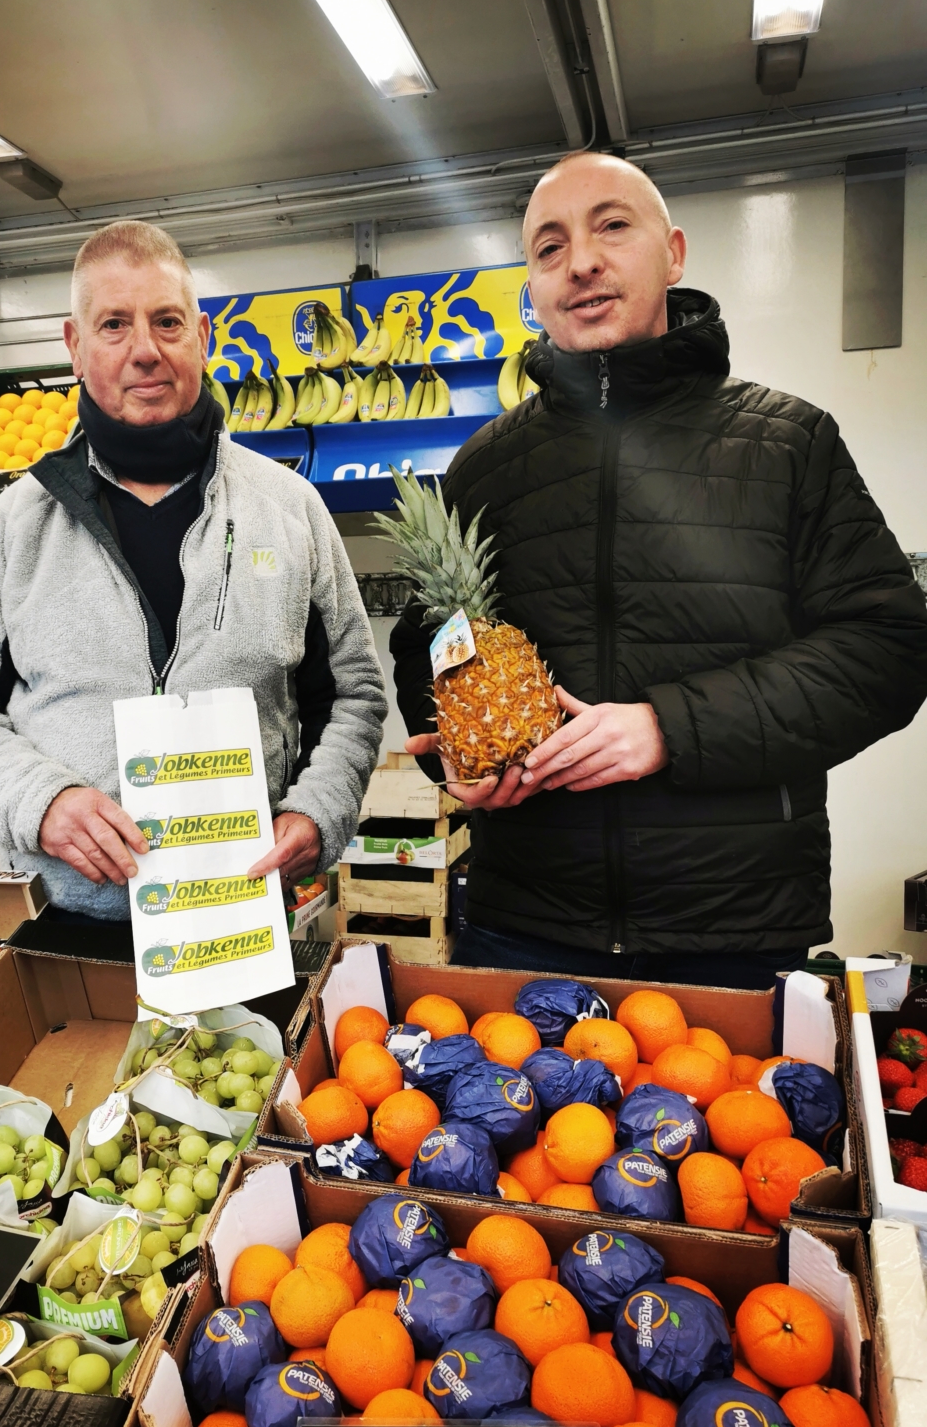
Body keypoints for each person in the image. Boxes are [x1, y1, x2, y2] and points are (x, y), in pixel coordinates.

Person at [392, 151, 927, 987]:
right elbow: (427, 647)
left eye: (612, 225)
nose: (583, 262)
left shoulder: (789, 443)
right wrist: (455, 759)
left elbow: (889, 651)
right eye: (549, 246)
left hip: (736, 933)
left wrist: (668, 727)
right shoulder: (484, 468)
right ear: (531, 285)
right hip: (523, 926)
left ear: (672, 253)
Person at [0, 220, 386, 921]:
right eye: (113, 325)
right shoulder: (17, 524)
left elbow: (355, 694)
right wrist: (40, 803)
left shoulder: (290, 509)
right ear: (75, 348)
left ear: (203, 336)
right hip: (63, 922)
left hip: (241, 923)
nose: (144, 352)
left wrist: (319, 812)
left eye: (166, 322)